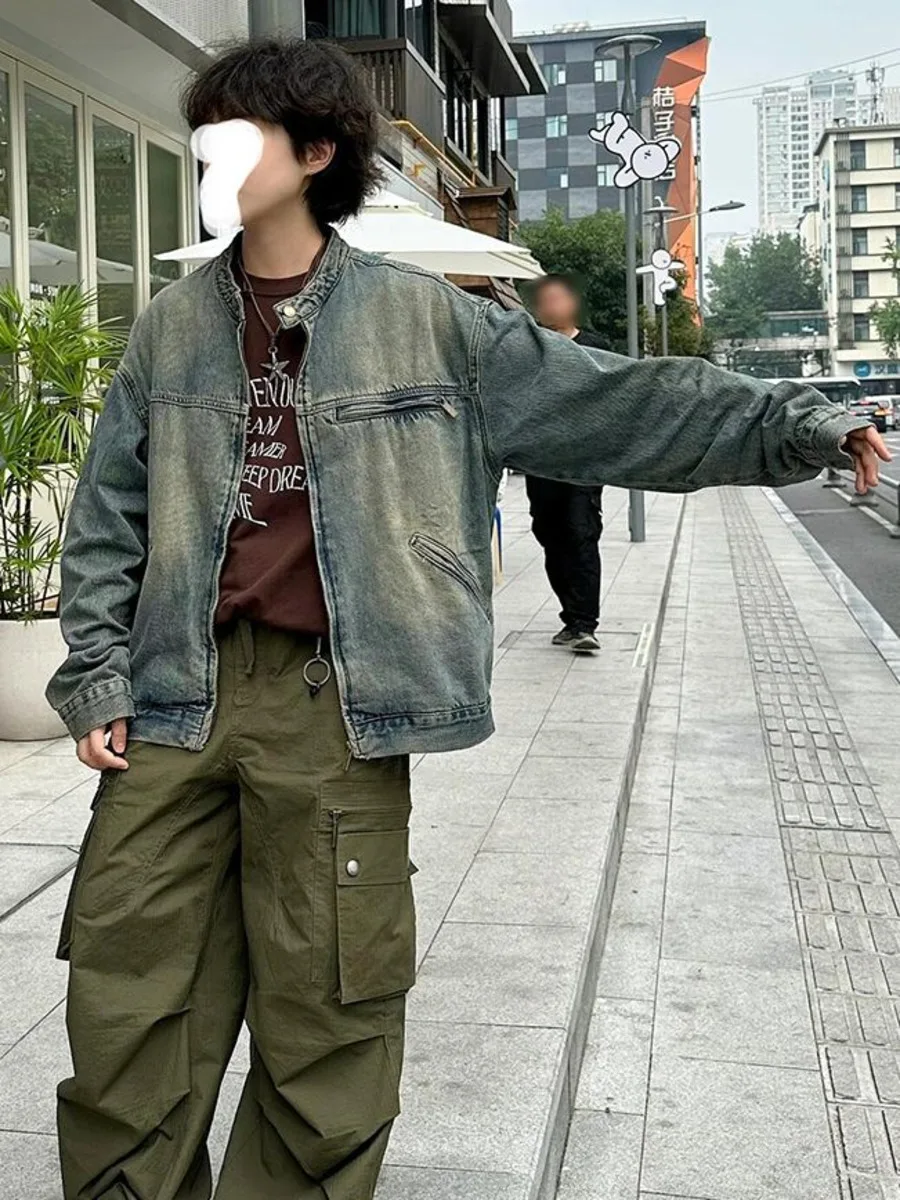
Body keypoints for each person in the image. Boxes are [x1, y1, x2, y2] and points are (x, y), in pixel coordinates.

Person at [45, 36, 889, 1200]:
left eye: (235, 137)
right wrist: (96, 674)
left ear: (317, 153)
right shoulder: (171, 327)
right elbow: (109, 516)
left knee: (327, 1013)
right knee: (127, 990)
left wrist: (801, 421)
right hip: (172, 698)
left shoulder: (431, 324)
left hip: (334, 704)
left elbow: (624, 403)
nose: (207, 157)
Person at [526, 274, 609, 654]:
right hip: (541, 460)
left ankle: (584, 623)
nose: (551, 306)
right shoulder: (532, 347)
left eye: (558, 298)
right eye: (545, 300)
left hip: (582, 463)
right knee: (549, 535)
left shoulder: (595, 347)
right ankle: (570, 616)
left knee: (580, 534)